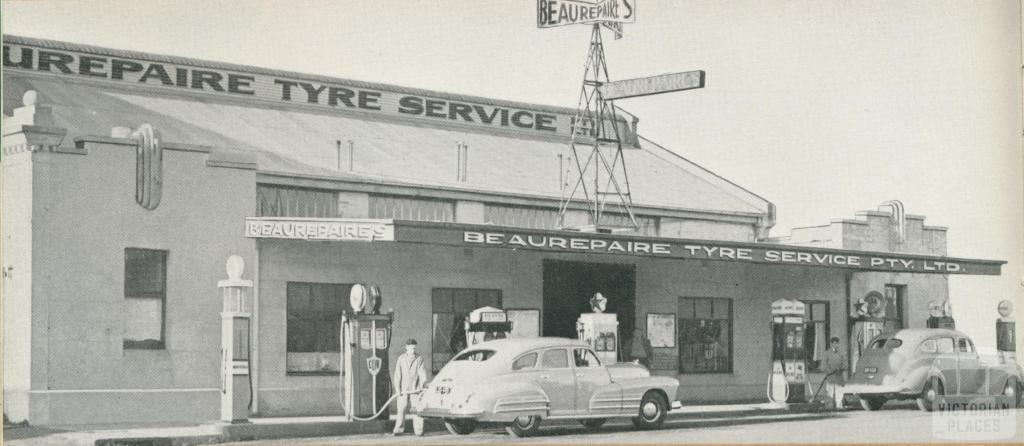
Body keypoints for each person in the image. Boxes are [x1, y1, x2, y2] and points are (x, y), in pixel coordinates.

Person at [389, 338, 428, 436]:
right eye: (411, 348)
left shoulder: (419, 358)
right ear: (406, 348)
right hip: (403, 390)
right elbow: (397, 375)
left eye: (414, 348)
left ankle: (419, 431)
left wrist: (423, 385)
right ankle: (398, 430)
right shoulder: (401, 358)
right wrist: (397, 390)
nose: (413, 351)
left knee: (417, 410)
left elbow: (422, 373)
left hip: (415, 390)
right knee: (401, 410)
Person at [821, 336, 848, 408]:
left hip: (839, 376)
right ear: (831, 344)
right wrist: (830, 371)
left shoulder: (842, 353)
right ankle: (829, 406)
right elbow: (823, 366)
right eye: (834, 343)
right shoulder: (827, 353)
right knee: (829, 392)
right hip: (830, 377)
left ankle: (839, 405)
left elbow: (845, 365)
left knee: (839, 392)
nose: (836, 345)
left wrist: (841, 368)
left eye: (837, 343)